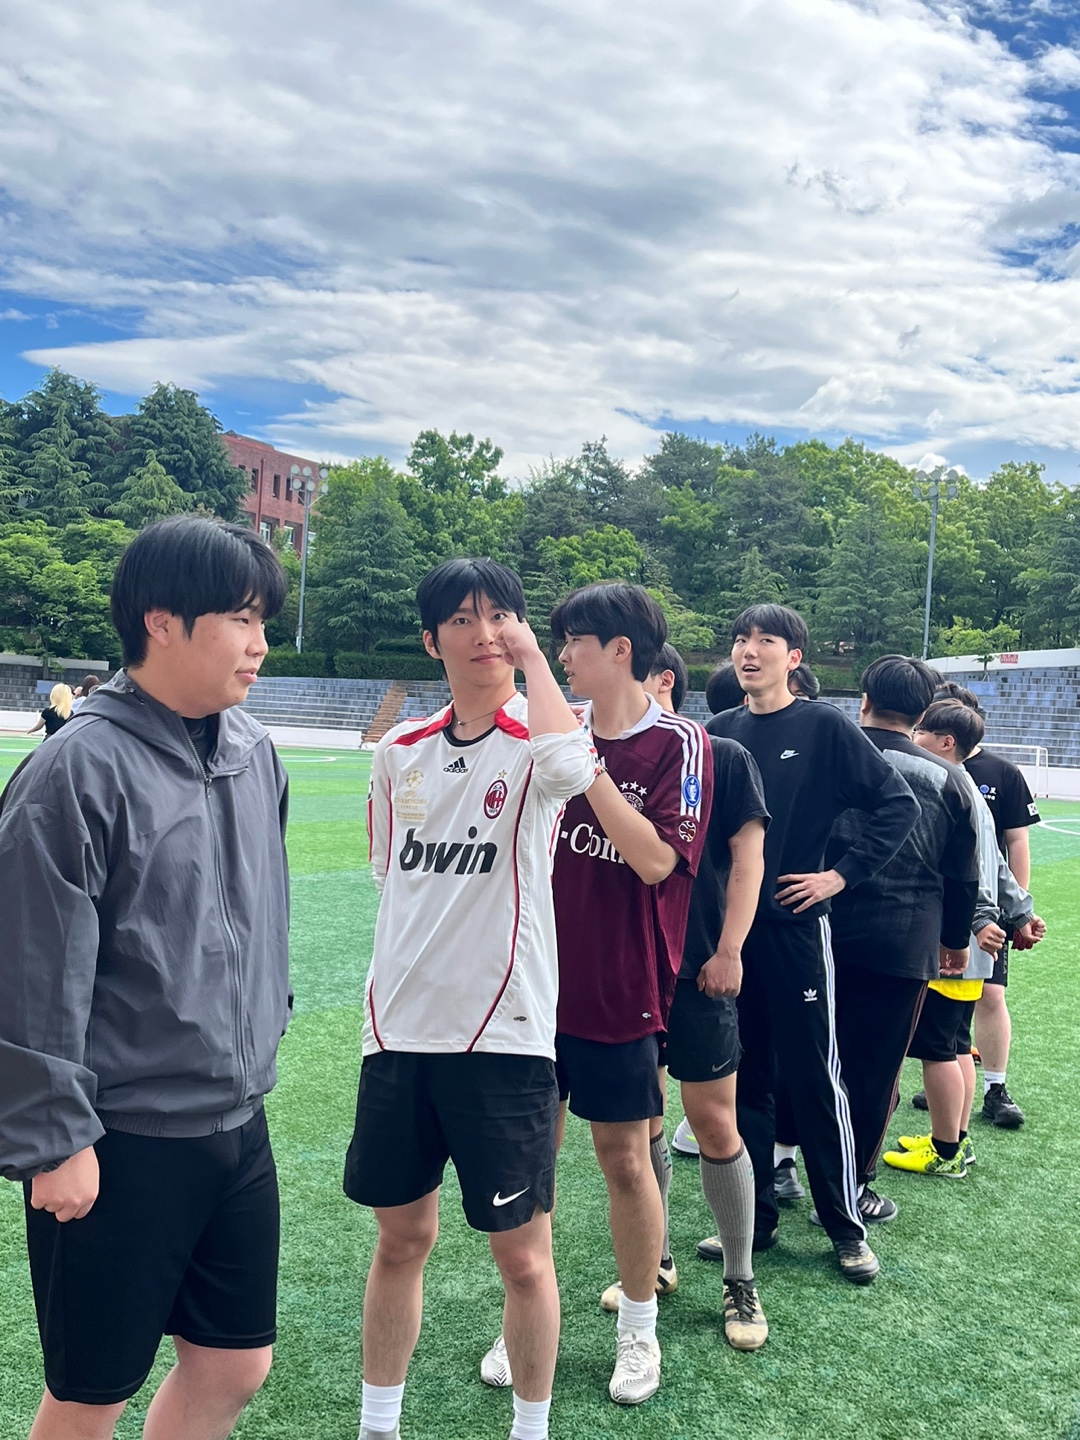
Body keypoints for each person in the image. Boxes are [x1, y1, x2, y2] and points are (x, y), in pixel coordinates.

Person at [0, 515, 290, 1440]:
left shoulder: (255, 753)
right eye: (241, 618)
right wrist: (54, 1139)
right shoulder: (74, 771)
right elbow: (28, 969)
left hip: (236, 1121)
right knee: (91, 1396)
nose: (260, 643)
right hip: (119, 1137)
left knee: (235, 1362)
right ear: (161, 621)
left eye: (262, 620)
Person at [344, 558, 597, 1440]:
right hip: (398, 1032)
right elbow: (391, 873)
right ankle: (379, 1425)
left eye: (501, 616)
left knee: (523, 1258)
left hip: (506, 1038)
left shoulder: (538, 740)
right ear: (432, 640)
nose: (484, 632)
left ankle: (530, 1429)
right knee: (400, 1240)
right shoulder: (398, 751)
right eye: (462, 618)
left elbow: (572, 770)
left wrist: (534, 665)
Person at [483, 582, 711, 1407]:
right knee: (529, 1159)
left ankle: (639, 1328)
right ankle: (526, 1313)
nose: (562, 655)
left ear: (621, 650)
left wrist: (585, 771)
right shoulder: (552, 727)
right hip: (531, 989)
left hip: (621, 988)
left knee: (624, 1159)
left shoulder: (681, 742)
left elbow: (655, 861)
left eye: (574, 640)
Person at [703, 604, 919, 1284]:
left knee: (816, 1075)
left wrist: (838, 876)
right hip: (732, 935)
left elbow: (898, 806)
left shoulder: (824, 726)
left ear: (794, 657)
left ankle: (845, 1225)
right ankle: (755, 1219)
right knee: (746, 1077)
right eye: (741, 639)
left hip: (796, 932)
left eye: (765, 640)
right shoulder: (719, 732)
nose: (749, 650)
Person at [624, 644, 769, 1351]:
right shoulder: (602, 757)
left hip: (701, 967)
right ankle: (654, 1259)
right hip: (627, 973)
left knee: (713, 1123)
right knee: (641, 1124)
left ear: (662, 680)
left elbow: (748, 859)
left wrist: (730, 947)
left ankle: (740, 1279)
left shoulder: (723, 758)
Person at [821, 657, 982, 1220]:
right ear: (922, 712)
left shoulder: (829, 753)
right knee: (873, 1069)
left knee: (802, 1053)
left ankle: (781, 1166)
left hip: (815, 928)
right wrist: (955, 940)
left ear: (864, 699)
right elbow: (963, 875)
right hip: (901, 941)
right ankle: (850, 1188)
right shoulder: (950, 778)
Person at [883, 700, 1044, 1178]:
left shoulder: (949, 788)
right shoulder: (969, 788)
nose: (914, 738)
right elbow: (997, 865)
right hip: (970, 943)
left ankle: (946, 1151)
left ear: (945, 742)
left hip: (956, 945)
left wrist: (980, 920)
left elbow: (967, 872)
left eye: (921, 732)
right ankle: (955, 1137)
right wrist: (1021, 912)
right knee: (954, 1042)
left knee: (940, 1049)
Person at [936, 681, 1041, 1128]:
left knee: (988, 997)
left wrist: (1014, 913)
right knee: (943, 1016)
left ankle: (993, 1088)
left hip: (981, 914)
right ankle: (945, 1086)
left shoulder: (999, 773)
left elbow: (1011, 846)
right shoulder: (933, 768)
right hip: (945, 911)